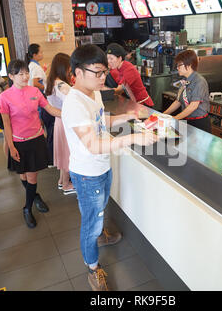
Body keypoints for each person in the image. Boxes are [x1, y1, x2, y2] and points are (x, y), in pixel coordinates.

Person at [62, 44, 157, 291]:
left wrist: (128, 116)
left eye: (104, 71)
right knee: (90, 223)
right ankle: (92, 267)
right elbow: (92, 144)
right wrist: (134, 138)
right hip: (86, 173)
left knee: (100, 209)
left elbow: (100, 122)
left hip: (101, 167)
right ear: (77, 72)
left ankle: (100, 234)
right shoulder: (74, 103)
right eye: (97, 72)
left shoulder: (92, 93)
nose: (103, 77)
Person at [0, 59, 62, 228]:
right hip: (19, 142)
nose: (25, 76)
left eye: (26, 72)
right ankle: (34, 196)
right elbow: (6, 124)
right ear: (11, 76)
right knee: (23, 175)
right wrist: (11, 146)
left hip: (36, 139)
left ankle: (27, 208)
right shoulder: (4, 97)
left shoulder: (35, 91)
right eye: (20, 74)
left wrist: (71, 113)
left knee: (32, 176)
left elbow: (50, 109)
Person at [45, 53, 75, 194]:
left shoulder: (51, 81)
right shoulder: (62, 85)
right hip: (65, 120)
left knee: (63, 153)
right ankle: (66, 185)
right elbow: (72, 101)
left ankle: (61, 181)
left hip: (59, 120)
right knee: (68, 154)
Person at [163, 49, 211, 133]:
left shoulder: (199, 81)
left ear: (188, 65)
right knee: (184, 145)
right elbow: (178, 101)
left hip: (199, 123)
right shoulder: (184, 81)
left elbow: (193, 106)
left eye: (179, 65)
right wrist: (164, 114)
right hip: (186, 120)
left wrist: (176, 118)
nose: (177, 68)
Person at [26, 43, 54, 166]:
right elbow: (36, 83)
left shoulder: (33, 66)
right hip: (39, 98)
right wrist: (48, 89)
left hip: (35, 98)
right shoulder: (35, 67)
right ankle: (46, 156)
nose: (42, 54)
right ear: (34, 55)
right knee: (42, 126)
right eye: (40, 53)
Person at [106, 42, 154, 107]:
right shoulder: (118, 68)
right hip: (134, 103)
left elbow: (119, 90)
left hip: (143, 105)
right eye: (107, 58)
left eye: (111, 58)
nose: (109, 61)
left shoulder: (128, 69)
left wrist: (101, 92)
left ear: (120, 58)